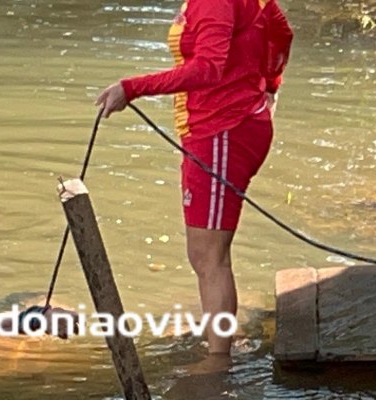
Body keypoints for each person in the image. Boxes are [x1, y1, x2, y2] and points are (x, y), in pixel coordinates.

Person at [94, 0, 293, 354]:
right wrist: (270, 85)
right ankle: (221, 339)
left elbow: (208, 69)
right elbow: (281, 32)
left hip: (222, 129)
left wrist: (132, 88)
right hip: (224, 126)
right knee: (206, 255)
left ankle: (218, 360)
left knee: (208, 256)